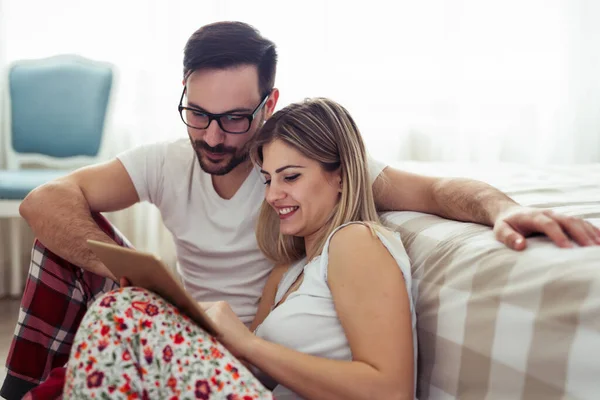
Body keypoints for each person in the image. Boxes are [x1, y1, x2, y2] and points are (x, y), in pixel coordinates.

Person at [2, 20, 599, 400]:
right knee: (98, 275)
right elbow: (43, 199)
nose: (212, 137)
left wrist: (500, 208)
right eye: (197, 114)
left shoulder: (333, 205)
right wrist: (129, 268)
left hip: (236, 351)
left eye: (234, 119)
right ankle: (30, 385)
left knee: (121, 317)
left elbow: (437, 192)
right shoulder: (279, 259)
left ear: (268, 104)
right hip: (215, 339)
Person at [62, 97, 417, 400]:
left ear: (340, 175)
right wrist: (187, 323)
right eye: (267, 179)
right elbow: (251, 369)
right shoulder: (289, 269)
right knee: (127, 313)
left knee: (120, 311)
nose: (273, 195)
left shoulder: (356, 242)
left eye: (290, 176)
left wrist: (248, 344)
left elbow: (391, 391)